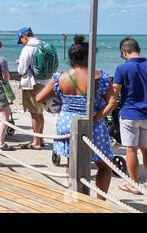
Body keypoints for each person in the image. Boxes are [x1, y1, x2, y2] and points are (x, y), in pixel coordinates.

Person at [36, 35, 116, 200]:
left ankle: (73, 197)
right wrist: (96, 116)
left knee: (72, 162)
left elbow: (39, 98)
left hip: (67, 123)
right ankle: (100, 202)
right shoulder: (101, 78)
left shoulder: (60, 77)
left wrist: (60, 103)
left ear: (71, 58)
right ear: (90, 56)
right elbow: (112, 102)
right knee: (104, 166)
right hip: (92, 123)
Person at [113, 37, 147, 195]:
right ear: (138, 50)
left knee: (131, 149)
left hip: (130, 113)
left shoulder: (122, 69)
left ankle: (134, 184)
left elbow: (115, 91)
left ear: (124, 52)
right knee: (146, 150)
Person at [17, 27, 51, 149]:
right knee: (40, 111)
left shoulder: (28, 48)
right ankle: (40, 139)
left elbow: (21, 70)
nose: (22, 44)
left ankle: (36, 142)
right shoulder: (43, 44)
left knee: (34, 113)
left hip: (32, 84)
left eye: (21, 41)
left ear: (24, 37)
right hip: (45, 82)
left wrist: (20, 62)